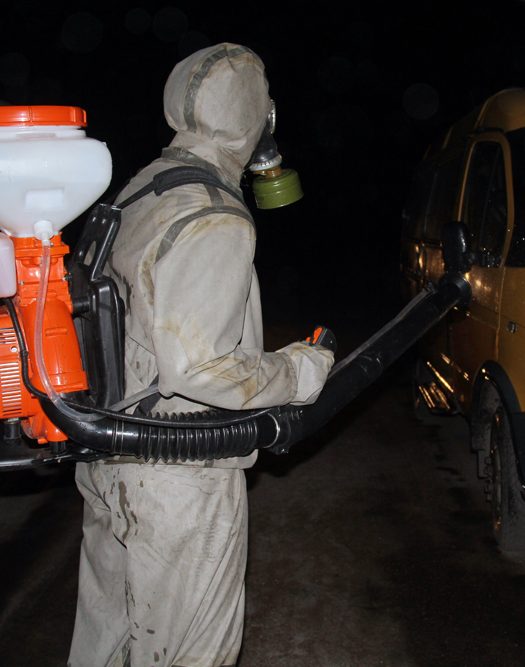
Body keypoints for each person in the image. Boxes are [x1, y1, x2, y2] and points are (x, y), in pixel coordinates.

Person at [68, 43, 334, 667]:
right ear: (254, 118)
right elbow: (200, 369)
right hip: (178, 480)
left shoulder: (139, 190)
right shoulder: (215, 216)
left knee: (106, 645)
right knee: (188, 653)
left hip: (110, 458)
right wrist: (299, 369)